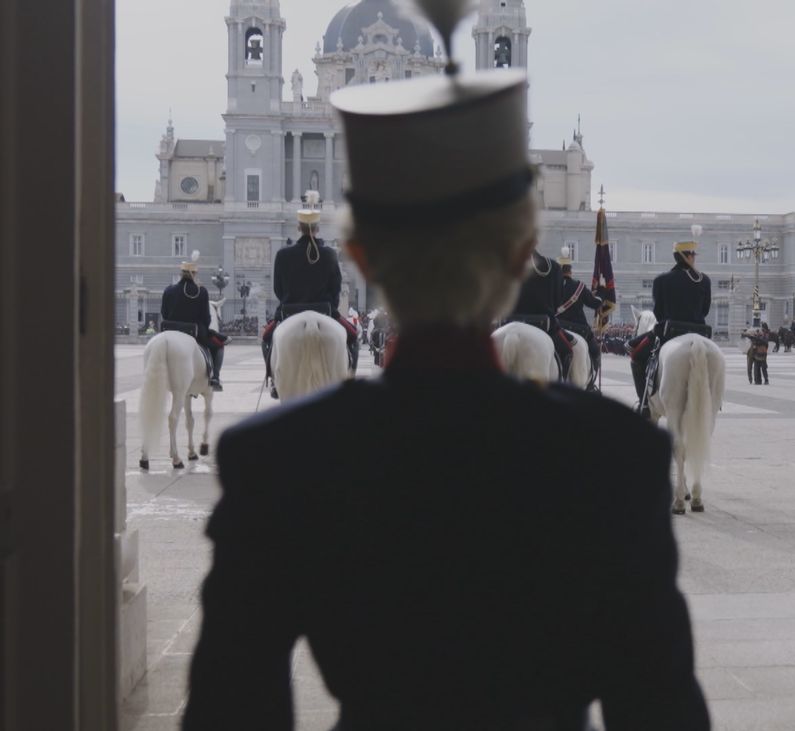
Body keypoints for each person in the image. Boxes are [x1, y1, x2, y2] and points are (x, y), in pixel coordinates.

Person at [181, 12, 710, 729]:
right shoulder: (617, 456)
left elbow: (229, 712)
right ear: (524, 255)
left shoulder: (275, 459)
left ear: (359, 257)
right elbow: (663, 713)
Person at [261, 192, 359, 397]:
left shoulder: (283, 254)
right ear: (317, 228)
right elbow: (336, 288)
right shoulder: (330, 254)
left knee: (267, 338)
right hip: (324, 310)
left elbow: (278, 289)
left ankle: (274, 382)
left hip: (288, 312)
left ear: (299, 228)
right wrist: (329, 307)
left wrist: (290, 301)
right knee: (352, 338)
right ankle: (349, 378)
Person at [631, 233, 712, 417]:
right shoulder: (704, 280)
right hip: (700, 333)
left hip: (669, 332)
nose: (694, 259)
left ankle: (644, 404)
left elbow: (658, 313)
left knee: (634, 352)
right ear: (688, 256)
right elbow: (705, 311)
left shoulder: (662, 280)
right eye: (693, 255)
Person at [504, 247, 575, 380]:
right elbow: (558, 301)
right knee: (567, 350)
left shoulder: (504, 264)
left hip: (507, 322)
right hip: (545, 325)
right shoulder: (552, 267)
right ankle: (563, 386)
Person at [160, 253, 227, 390]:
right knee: (219, 346)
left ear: (181, 273)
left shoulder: (169, 290)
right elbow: (206, 318)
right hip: (194, 332)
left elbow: (164, 313)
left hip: (169, 331)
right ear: (194, 274)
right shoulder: (200, 292)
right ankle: (215, 378)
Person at [556, 255, 604, 384]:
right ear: (570, 270)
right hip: (579, 329)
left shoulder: (552, 286)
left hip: (557, 328)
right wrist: (600, 295)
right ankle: (590, 381)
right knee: (595, 351)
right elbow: (594, 303)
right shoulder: (579, 287)